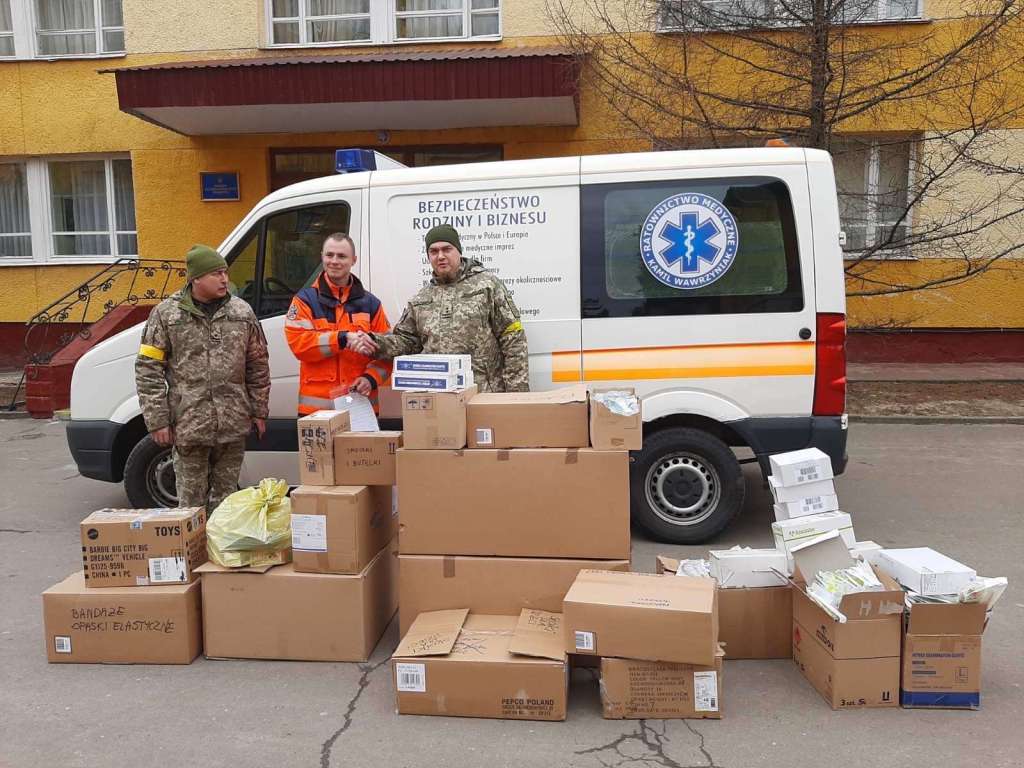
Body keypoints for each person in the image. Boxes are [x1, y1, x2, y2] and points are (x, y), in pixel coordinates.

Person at [135, 244, 270, 514]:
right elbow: (148, 368)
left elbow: (257, 364)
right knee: (191, 508)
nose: (224, 279)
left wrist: (258, 411)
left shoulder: (241, 312)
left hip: (232, 424)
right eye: (216, 274)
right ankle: (194, 544)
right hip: (189, 425)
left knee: (226, 506)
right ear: (196, 278)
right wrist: (158, 420)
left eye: (225, 272)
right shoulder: (167, 315)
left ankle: (219, 544)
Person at [349, 224, 529, 392]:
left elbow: (512, 337)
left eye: (446, 249)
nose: (440, 256)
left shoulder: (487, 285)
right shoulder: (421, 299)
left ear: (458, 251)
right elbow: (406, 341)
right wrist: (375, 343)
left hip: (484, 393)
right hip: (440, 397)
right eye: (434, 251)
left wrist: (516, 393)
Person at [284, 233, 392, 415]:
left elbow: (388, 351)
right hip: (317, 412)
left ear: (354, 260)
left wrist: (370, 379)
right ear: (322, 257)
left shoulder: (371, 304)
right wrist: (342, 339)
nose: (334, 261)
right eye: (329, 255)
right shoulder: (304, 301)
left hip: (360, 408)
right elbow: (299, 345)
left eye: (342, 256)